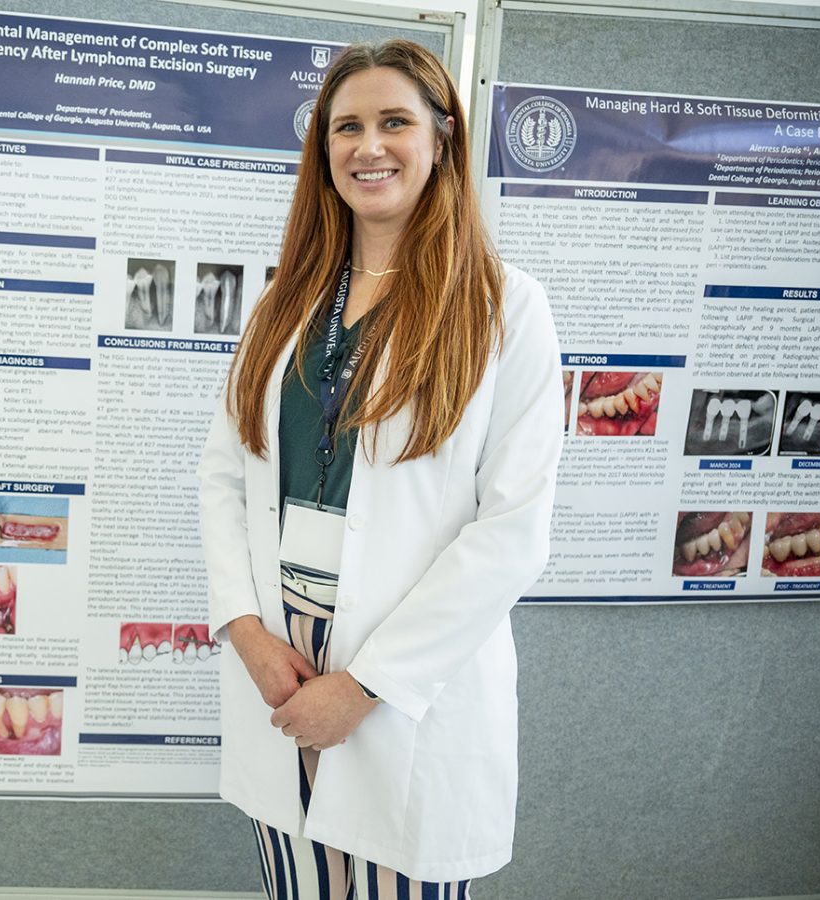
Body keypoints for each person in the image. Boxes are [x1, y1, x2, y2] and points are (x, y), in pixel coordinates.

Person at [197, 39, 563, 899]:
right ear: (322, 152)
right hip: (280, 647)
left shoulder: (504, 308)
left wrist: (364, 687)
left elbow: (511, 530)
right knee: (296, 882)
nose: (368, 146)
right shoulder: (284, 302)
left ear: (441, 139)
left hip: (403, 666)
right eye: (345, 127)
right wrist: (246, 632)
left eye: (393, 122)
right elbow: (222, 474)